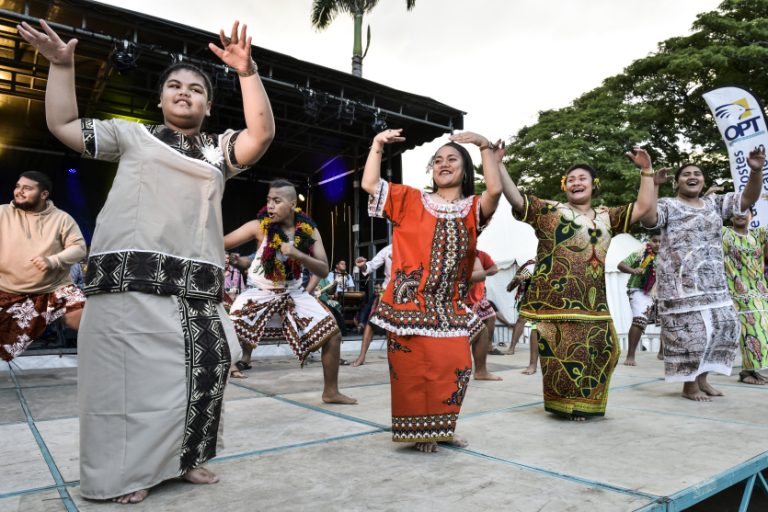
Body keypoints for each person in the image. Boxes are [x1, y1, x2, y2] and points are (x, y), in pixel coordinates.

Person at [18, 19, 275, 503]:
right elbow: (65, 126)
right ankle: (128, 473)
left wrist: (248, 72)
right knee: (125, 386)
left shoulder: (217, 150)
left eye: (196, 89)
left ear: (208, 104)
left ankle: (188, 458)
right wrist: (61, 66)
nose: (184, 93)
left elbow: (259, 136)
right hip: (127, 282)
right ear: (159, 100)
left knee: (206, 368)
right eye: (174, 87)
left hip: (194, 285)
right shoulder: (131, 137)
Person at [362, 128, 502, 453]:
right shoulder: (411, 200)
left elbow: (495, 190)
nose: (443, 163)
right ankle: (420, 432)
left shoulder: (472, 208)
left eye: (452, 159)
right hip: (409, 305)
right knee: (412, 372)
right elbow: (371, 184)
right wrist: (377, 145)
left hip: (450, 306)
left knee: (455, 370)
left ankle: (442, 428)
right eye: (438, 160)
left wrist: (483, 146)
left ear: (465, 169)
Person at [498, 148, 657, 420]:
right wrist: (498, 163)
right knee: (560, 358)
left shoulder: (608, 216)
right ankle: (566, 407)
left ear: (593, 184)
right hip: (554, 302)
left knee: (605, 351)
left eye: (582, 178)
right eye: (571, 179)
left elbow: (643, 208)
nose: (576, 182)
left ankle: (586, 404)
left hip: (594, 303)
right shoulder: (550, 210)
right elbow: (517, 199)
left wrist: (647, 171)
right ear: (565, 185)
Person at [643, 149, 765, 401]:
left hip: (714, 283)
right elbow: (649, 218)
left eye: (697, 173)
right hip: (679, 285)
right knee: (692, 336)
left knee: (723, 329)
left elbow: (746, 199)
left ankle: (703, 380)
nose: (692, 176)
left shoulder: (714, 204)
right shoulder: (668, 204)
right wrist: (653, 185)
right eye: (686, 174)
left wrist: (755, 170)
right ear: (677, 182)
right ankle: (689, 385)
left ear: (703, 181)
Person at [225, 179, 356, 404]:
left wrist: (298, 254)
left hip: (294, 294)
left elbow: (323, 268)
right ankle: (218, 379)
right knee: (224, 328)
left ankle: (331, 392)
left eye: (277, 201)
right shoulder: (259, 226)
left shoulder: (309, 230)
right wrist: (233, 259)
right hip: (259, 292)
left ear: (293, 204)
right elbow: (223, 242)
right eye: (268, 201)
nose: (271, 206)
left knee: (333, 334)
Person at [0, 171, 86, 361]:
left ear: (44, 194)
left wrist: (53, 260)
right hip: (6, 289)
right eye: (17, 186)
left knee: (83, 317)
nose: (19, 192)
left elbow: (79, 248)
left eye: (27, 188)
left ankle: (107, 364)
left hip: (53, 288)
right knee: (5, 344)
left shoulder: (62, 218)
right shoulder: (2, 213)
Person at [722, 210, 768, 385]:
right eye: (735, 211)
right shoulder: (724, 233)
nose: (740, 214)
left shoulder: (759, 234)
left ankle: (750, 370)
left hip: (761, 290)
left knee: (762, 330)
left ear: (751, 215)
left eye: (744, 211)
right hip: (737, 292)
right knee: (751, 330)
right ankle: (747, 372)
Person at [617, 231, 662, 366]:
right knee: (639, 320)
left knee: (666, 320)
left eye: (661, 241)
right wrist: (633, 270)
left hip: (660, 291)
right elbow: (621, 264)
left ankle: (662, 353)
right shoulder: (641, 252)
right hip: (638, 289)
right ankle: (630, 356)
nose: (658, 244)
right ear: (649, 240)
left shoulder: (668, 255)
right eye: (655, 241)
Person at [352, 244, 392, 366]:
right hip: (386, 292)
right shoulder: (388, 249)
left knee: (396, 328)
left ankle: (397, 358)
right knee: (371, 323)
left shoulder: (414, 247)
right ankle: (361, 357)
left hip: (407, 294)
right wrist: (362, 265)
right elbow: (370, 266)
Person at [466, 251, 502, 380]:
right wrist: (482, 272)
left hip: (478, 297)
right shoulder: (455, 252)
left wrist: (485, 272)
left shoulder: (480, 254)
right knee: (470, 333)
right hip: (460, 300)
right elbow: (475, 276)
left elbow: (492, 269)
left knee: (489, 319)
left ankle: (488, 347)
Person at [505, 259, 540, 375]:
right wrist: (519, 278)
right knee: (526, 323)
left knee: (538, 327)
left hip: (551, 300)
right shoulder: (532, 266)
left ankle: (533, 364)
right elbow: (524, 275)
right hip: (532, 300)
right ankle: (513, 348)